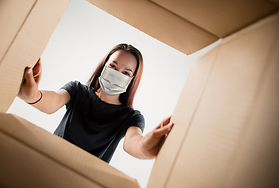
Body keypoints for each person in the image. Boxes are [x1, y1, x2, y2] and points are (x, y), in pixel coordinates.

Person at [17, 43, 173, 163]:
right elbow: (53, 101)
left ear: (131, 81)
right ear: (104, 66)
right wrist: (32, 96)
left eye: (126, 73)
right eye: (113, 66)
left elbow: (133, 142)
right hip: (46, 165)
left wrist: (146, 146)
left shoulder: (131, 117)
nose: (117, 74)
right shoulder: (77, 90)